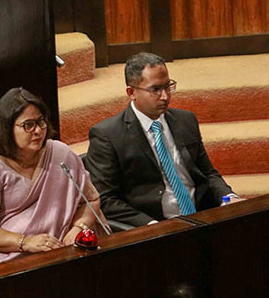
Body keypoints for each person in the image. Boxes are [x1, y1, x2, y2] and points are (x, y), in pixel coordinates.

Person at [85, 52, 240, 228]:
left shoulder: (186, 120)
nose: (165, 96)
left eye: (168, 87)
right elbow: (106, 198)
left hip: (202, 216)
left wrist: (228, 197)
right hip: (155, 225)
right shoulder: (108, 135)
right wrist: (150, 225)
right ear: (131, 92)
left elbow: (207, 172)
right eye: (155, 90)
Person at [0, 87, 104, 263]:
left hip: (71, 250)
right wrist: (26, 242)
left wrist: (77, 228)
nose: (38, 131)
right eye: (28, 125)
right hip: (22, 258)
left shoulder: (60, 154)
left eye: (41, 122)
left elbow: (90, 200)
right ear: (6, 128)